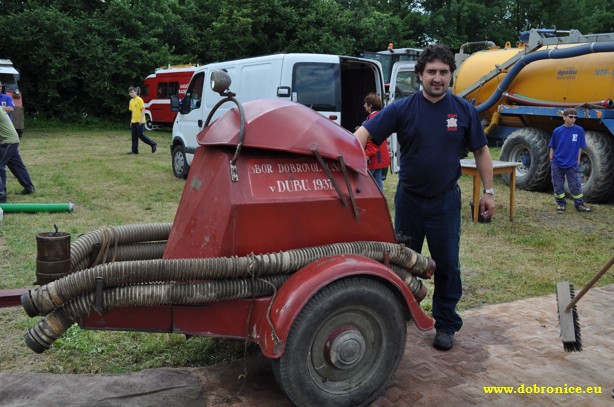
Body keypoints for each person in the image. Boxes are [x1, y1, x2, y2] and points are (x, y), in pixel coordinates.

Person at [354, 44, 495, 351]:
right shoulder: (402, 108)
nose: (437, 78)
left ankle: (445, 324)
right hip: (409, 201)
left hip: (445, 202)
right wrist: (350, 163)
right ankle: (397, 320)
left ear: (450, 76)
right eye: (431, 71)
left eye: (444, 72)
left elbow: (482, 150)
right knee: (402, 265)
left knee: (448, 265)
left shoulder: (462, 110)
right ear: (420, 75)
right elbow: (362, 134)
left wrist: (489, 191)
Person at [549, 108, 591, 212]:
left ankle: (579, 204)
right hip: (557, 163)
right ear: (564, 117)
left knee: (575, 186)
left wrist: (578, 161)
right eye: (571, 117)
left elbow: (580, 147)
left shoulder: (579, 130)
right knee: (558, 185)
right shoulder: (557, 131)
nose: (573, 119)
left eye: (575, 117)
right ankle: (561, 204)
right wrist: (551, 160)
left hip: (572, 164)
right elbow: (552, 146)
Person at [0, 108, 35, 203]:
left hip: (8, 142)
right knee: (17, 165)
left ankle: (1, 195)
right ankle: (29, 187)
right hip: (12, 140)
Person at [361, 92, 390, 191]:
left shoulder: (373, 119)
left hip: (374, 157)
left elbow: (374, 140)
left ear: (370, 105)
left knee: (365, 182)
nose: (364, 105)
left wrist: (367, 154)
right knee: (378, 182)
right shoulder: (379, 116)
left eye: (365, 103)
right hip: (379, 156)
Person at [128, 86, 157, 154]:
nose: (131, 94)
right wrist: (131, 121)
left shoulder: (139, 99)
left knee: (141, 135)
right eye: (130, 93)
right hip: (134, 121)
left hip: (140, 121)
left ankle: (153, 144)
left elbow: (143, 110)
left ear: (135, 92)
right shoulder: (131, 101)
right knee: (134, 136)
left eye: (132, 92)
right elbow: (132, 112)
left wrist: (141, 119)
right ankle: (134, 151)